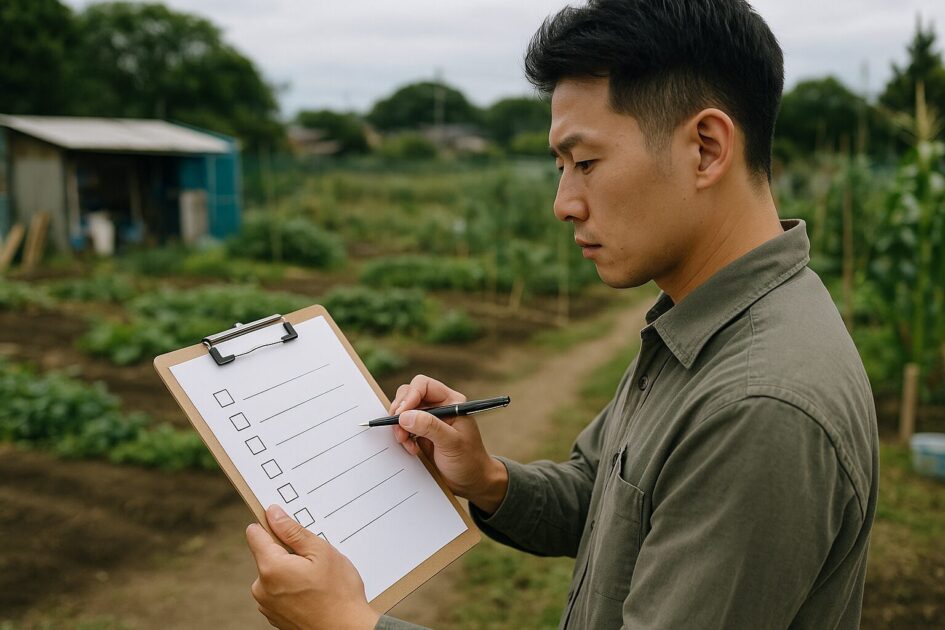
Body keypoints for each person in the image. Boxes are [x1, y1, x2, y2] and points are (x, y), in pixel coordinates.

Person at [245, 0, 879, 628]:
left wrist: (347, 624)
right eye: (559, 167)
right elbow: (606, 497)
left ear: (707, 149)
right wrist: (488, 479)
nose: (564, 203)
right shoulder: (703, 324)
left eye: (586, 163)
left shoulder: (757, 404)